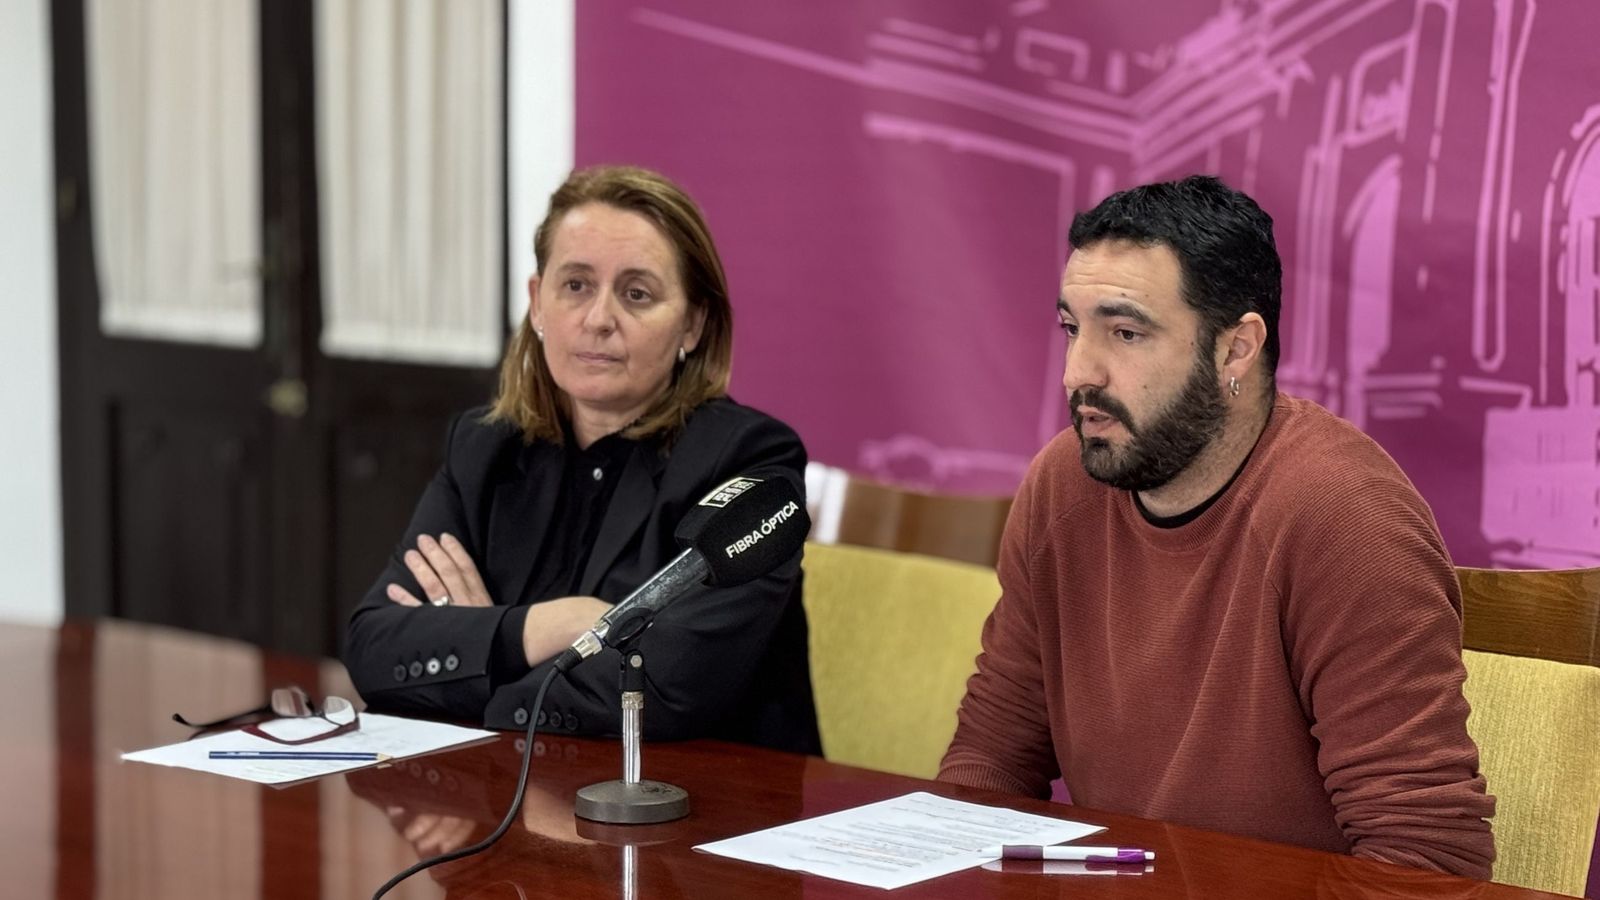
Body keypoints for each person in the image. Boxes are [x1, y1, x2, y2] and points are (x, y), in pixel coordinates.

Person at [937, 176, 1495, 877]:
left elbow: (1427, 860)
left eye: (1127, 332)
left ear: (1236, 349)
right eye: (1072, 329)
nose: (1078, 372)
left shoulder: (1346, 516)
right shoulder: (1062, 487)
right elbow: (992, 757)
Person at [343, 165, 819, 754]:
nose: (598, 319)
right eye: (576, 285)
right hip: (509, 796)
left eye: (636, 293)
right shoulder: (484, 449)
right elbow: (374, 647)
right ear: (537, 304)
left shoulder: (750, 462)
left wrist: (479, 652)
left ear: (692, 325)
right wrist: (555, 625)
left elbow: (664, 691)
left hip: (702, 814)